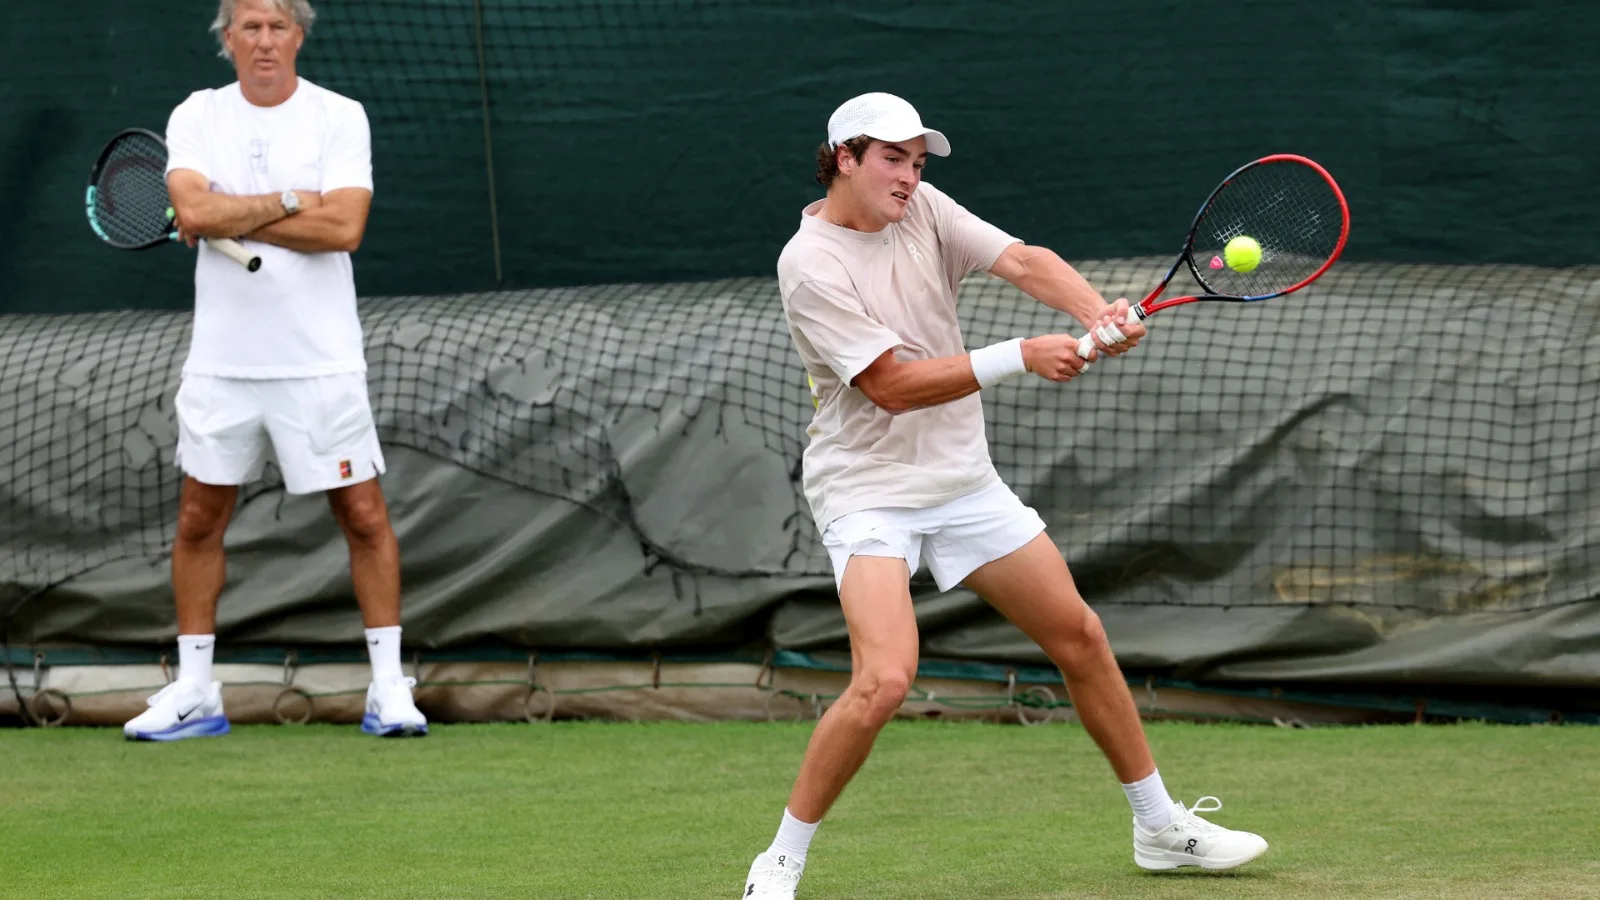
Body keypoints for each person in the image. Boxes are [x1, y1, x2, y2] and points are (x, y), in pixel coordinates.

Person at [742, 92, 1268, 897]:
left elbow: (1022, 260)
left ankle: (1161, 827)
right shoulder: (809, 263)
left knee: (1080, 637)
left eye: (919, 162)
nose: (909, 177)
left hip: (961, 481)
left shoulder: (923, 212)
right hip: (868, 487)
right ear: (844, 158)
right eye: (892, 159)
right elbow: (888, 386)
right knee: (884, 680)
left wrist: (1098, 312)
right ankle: (781, 860)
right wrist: (1021, 353)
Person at [123, 0, 426, 741]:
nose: (264, 41)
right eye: (249, 26)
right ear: (228, 39)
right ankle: (196, 690)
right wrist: (295, 201)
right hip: (222, 365)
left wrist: (232, 212)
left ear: (299, 36)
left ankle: (389, 687)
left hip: (321, 362)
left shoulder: (338, 116)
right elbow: (190, 208)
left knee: (363, 516)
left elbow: (344, 227)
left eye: (278, 26)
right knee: (199, 518)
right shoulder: (196, 114)